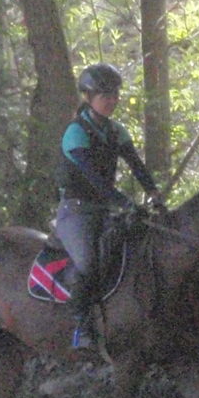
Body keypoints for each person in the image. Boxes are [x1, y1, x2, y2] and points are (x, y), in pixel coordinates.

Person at [52, 63, 165, 351]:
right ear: (88, 97)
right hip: (76, 211)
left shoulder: (116, 131)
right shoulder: (75, 132)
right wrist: (126, 203)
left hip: (105, 209)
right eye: (105, 96)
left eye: (115, 95)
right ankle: (80, 325)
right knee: (88, 262)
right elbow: (95, 180)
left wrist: (154, 195)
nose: (112, 101)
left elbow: (137, 166)